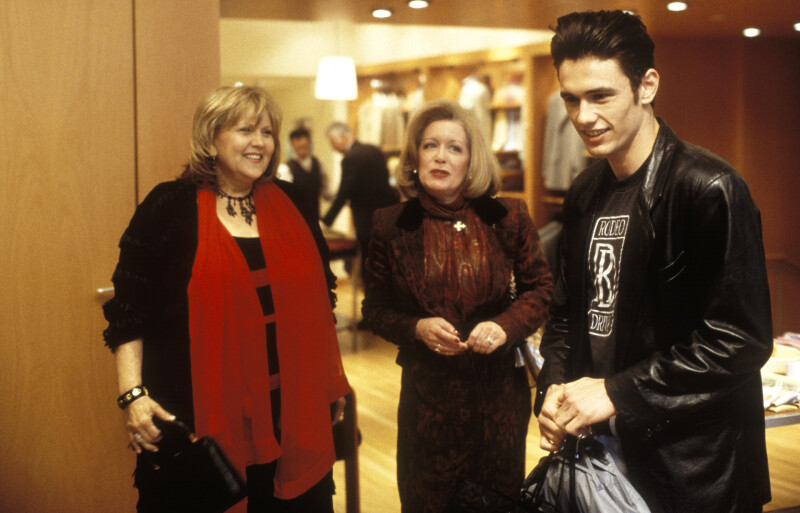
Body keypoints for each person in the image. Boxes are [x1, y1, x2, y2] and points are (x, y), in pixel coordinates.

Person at [534, 10, 772, 513]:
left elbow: (739, 339)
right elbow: (566, 315)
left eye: (601, 96)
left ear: (646, 86)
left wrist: (617, 392)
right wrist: (552, 390)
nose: (583, 117)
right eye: (571, 99)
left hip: (692, 467)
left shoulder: (709, 188)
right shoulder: (584, 192)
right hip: (603, 458)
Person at [103, 85, 351, 513]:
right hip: (198, 415)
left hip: (294, 411)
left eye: (267, 132)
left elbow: (321, 299)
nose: (259, 142)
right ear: (210, 138)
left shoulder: (292, 201)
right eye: (245, 130)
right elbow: (129, 310)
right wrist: (132, 394)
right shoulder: (168, 206)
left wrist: (331, 382)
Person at [362, 99, 553, 513]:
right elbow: (374, 308)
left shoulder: (508, 216)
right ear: (415, 157)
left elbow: (540, 290)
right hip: (428, 403)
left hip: (498, 401)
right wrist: (416, 328)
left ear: (472, 160)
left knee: (497, 504)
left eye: (454, 148)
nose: (440, 157)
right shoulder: (390, 224)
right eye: (430, 146)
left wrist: (505, 326)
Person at [321, 121, 399, 284]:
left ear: (343, 136)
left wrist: (326, 222)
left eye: (333, 142)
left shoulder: (350, 158)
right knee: (388, 268)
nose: (333, 148)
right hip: (388, 218)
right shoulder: (374, 150)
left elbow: (343, 194)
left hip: (366, 223)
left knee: (370, 271)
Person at [285, 127, 326, 219]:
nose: (301, 147)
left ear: (309, 143)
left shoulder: (318, 163)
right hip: (296, 218)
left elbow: (325, 190)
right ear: (292, 145)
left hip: (315, 217)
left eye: (304, 145)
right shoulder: (287, 168)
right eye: (298, 145)